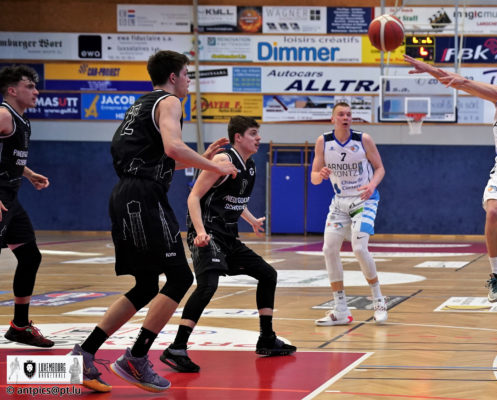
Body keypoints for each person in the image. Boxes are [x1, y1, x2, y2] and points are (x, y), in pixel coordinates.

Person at [69, 50, 238, 393]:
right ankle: (136, 357)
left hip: (126, 194)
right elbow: (174, 148)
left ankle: (83, 354)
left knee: (146, 285)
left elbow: (161, 158)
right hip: (143, 198)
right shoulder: (170, 101)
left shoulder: (140, 105)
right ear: (173, 77)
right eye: (187, 74)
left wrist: (200, 159)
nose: (189, 81)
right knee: (180, 277)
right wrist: (215, 166)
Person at [404, 51, 497, 339]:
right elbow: (461, 83)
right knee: (493, 211)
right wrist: (431, 69)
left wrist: (464, 81)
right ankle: (496, 275)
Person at [159, 115, 296, 373]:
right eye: (253, 133)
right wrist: (200, 232)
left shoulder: (249, 166)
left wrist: (251, 220)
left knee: (268, 274)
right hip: (208, 233)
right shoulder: (223, 161)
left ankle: (267, 338)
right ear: (238, 137)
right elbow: (193, 197)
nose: (259, 138)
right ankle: (177, 347)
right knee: (208, 285)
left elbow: (233, 199)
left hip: (228, 236)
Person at [310, 102, 387, 326]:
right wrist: (321, 174)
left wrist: (372, 185)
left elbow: (380, 168)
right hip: (339, 203)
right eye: (341, 114)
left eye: (349, 114)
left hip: (364, 200)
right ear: (333, 119)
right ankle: (341, 309)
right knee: (328, 249)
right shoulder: (323, 141)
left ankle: (379, 301)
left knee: (359, 248)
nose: (346, 118)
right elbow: (314, 177)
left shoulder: (363, 139)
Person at [0, 65, 54, 348]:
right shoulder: (4, 114)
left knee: (30, 256)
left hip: (11, 198)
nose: (36, 91)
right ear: (12, 90)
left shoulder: (22, 120)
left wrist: (29, 174)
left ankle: (19, 326)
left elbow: (10, 158)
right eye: (29, 86)